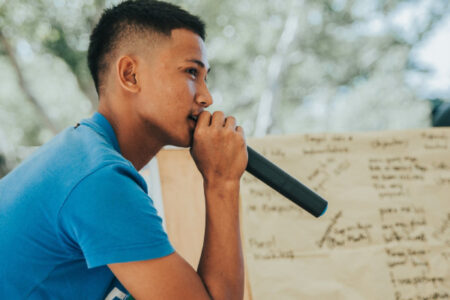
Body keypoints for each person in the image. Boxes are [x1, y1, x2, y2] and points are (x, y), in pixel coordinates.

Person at [0, 1, 248, 299]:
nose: (206, 98)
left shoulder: (82, 154)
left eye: (205, 78)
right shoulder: (98, 179)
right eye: (191, 72)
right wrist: (222, 182)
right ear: (130, 74)